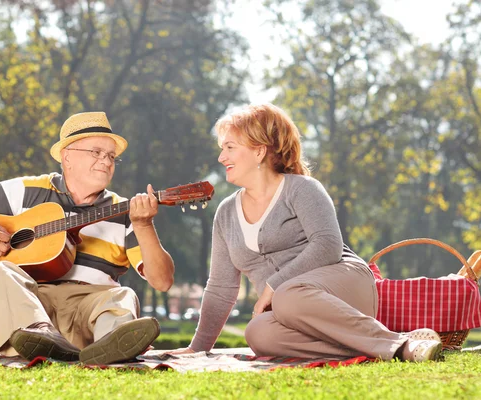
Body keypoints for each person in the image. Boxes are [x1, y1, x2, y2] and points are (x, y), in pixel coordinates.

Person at [172, 103, 442, 362]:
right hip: (292, 312)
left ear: (259, 151)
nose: (221, 157)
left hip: (344, 287)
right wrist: (198, 348)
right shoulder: (226, 213)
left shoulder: (302, 189)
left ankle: (401, 345)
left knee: (287, 295)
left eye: (230, 147)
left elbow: (327, 245)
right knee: (258, 332)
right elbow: (221, 287)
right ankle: (377, 345)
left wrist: (273, 285)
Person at [0, 111, 175, 365]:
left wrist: (144, 224)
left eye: (111, 156)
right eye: (96, 152)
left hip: (91, 311)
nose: (106, 161)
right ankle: (40, 337)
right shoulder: (29, 191)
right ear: (67, 156)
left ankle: (110, 344)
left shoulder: (125, 211)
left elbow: (162, 281)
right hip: (35, 308)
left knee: (124, 296)